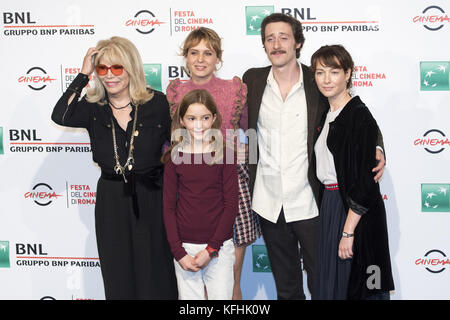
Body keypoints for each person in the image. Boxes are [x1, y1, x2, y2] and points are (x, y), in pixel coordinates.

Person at [242, 13, 386, 300]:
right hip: (269, 202)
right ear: (263, 45)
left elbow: (353, 114)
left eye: (284, 37)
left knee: (324, 285)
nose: (276, 44)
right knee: (286, 288)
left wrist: (378, 147)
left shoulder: (317, 78)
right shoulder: (253, 80)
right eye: (270, 38)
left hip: (311, 202)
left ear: (297, 42)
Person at [51, 36, 178, 299]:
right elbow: (59, 115)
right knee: (118, 271)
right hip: (111, 199)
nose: (110, 76)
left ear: (131, 68)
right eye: (102, 69)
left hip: (153, 195)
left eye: (117, 68)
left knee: (156, 271)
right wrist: (83, 74)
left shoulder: (157, 104)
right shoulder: (92, 107)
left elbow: (181, 147)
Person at [166, 27, 260, 300]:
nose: (200, 59)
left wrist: (247, 151)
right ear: (185, 57)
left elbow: (252, 129)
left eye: (208, 53)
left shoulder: (234, 88)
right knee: (195, 288)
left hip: (229, 179)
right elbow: (171, 137)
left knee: (229, 280)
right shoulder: (175, 91)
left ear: (218, 58)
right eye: (194, 52)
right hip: (190, 183)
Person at [311, 44, 394, 300]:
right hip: (330, 207)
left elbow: (364, 184)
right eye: (320, 72)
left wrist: (348, 232)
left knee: (361, 286)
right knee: (333, 286)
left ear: (347, 73)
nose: (326, 79)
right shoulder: (326, 113)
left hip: (354, 214)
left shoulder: (358, 115)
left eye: (334, 72)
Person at [162, 89, 238, 300]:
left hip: (219, 248)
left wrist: (212, 248)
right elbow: (168, 208)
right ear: (182, 121)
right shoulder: (174, 157)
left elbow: (231, 205)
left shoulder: (226, 155)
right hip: (184, 249)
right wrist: (179, 253)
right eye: (192, 118)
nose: (199, 125)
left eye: (205, 118)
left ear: (214, 118)